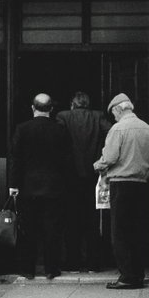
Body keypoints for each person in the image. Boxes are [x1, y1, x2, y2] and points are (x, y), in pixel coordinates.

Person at [93, 93, 149, 289]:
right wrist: (141, 159)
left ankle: (127, 276)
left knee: (120, 232)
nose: (114, 117)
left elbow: (109, 157)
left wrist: (96, 165)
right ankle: (138, 274)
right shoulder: (145, 127)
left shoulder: (118, 129)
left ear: (118, 110)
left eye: (113, 114)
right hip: (141, 184)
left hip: (121, 184)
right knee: (136, 230)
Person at [8, 93, 72, 280]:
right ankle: (51, 269)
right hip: (54, 187)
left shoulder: (22, 129)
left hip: (28, 187)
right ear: (51, 109)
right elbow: (67, 160)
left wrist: (13, 184)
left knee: (29, 228)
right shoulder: (60, 130)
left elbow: (15, 159)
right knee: (52, 229)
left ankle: (28, 269)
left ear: (33, 108)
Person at [56, 91, 112, 273]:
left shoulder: (63, 116)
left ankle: (72, 262)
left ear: (72, 104)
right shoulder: (98, 116)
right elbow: (112, 133)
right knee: (92, 221)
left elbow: (58, 139)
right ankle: (93, 262)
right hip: (92, 174)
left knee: (71, 220)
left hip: (69, 176)